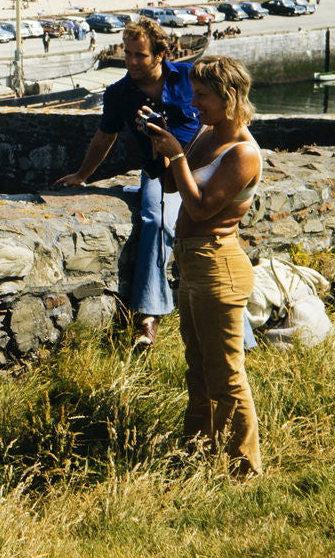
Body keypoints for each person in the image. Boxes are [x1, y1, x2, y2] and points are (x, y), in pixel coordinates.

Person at [139, 56, 262, 477]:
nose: (194, 104)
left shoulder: (243, 152)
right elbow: (174, 185)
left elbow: (201, 207)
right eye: (193, 94)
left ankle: (245, 469)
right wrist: (163, 147)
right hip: (192, 263)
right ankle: (197, 454)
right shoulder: (207, 133)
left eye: (203, 96)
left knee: (226, 373)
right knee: (197, 365)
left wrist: (177, 154)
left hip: (218, 264)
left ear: (229, 96)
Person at [54, 18, 200, 349]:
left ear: (161, 54)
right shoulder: (119, 93)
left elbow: (222, 109)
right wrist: (82, 176)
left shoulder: (190, 77)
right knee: (155, 220)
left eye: (140, 55)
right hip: (160, 172)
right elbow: (105, 135)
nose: (132, 62)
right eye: (128, 54)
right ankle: (148, 318)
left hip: (201, 164)